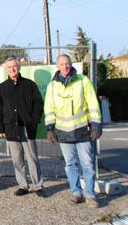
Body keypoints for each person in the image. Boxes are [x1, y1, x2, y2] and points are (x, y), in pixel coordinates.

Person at [44, 54, 102, 208]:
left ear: (71, 64)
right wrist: (49, 129)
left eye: (67, 63)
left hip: (82, 130)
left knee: (87, 164)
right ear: (57, 66)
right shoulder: (52, 86)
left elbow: (93, 103)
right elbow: (49, 109)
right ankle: (76, 192)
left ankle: (89, 194)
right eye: (62, 64)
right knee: (70, 164)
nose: (65, 66)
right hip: (63, 133)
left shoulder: (83, 81)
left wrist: (96, 125)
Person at [0, 57, 45, 197]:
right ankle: (23, 185)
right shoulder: (2, 88)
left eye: (14, 66)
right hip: (11, 128)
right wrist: (0, 129)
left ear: (19, 67)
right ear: (6, 69)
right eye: (9, 67)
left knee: (32, 158)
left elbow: (38, 105)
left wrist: (33, 121)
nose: (12, 69)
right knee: (17, 160)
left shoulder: (30, 85)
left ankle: (38, 186)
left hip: (27, 128)